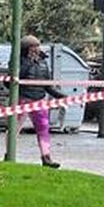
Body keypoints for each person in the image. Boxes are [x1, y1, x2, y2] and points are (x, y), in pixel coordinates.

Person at [18, 34, 69, 168]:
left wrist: (60, 96)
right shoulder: (18, 61)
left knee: (43, 129)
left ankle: (46, 157)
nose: (36, 49)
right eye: (32, 47)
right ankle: (9, 154)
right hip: (23, 99)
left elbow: (47, 85)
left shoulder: (43, 63)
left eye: (37, 46)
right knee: (14, 128)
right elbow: (13, 79)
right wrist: (28, 62)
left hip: (39, 100)